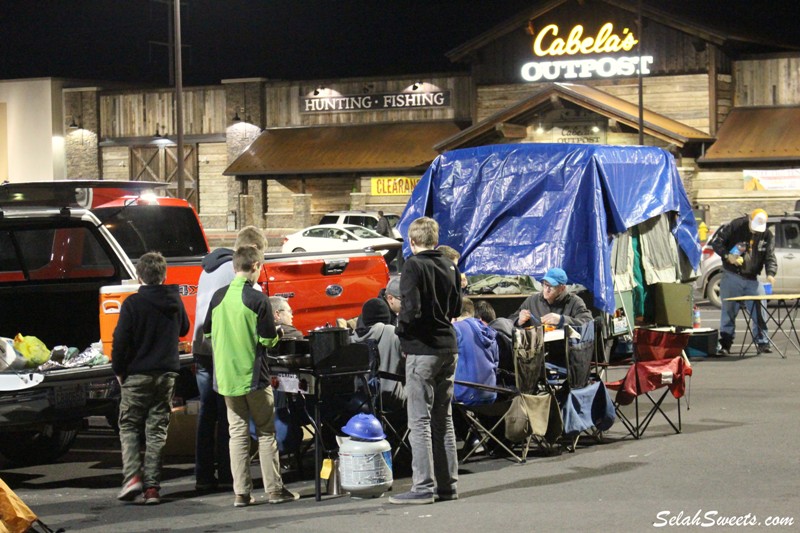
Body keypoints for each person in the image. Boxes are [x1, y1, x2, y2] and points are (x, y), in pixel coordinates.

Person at [203, 246, 298, 508]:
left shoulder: (218, 297)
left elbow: (208, 334)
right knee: (267, 432)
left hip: (226, 378)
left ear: (235, 267)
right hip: (254, 377)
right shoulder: (258, 299)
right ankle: (274, 490)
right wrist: (277, 334)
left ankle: (241, 494)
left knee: (237, 434)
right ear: (255, 266)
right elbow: (268, 339)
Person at [390, 216, 462, 505]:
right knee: (443, 420)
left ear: (412, 241)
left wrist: (402, 333)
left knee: (419, 421)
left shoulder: (413, 265)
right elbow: (456, 306)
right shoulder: (450, 265)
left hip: (423, 350)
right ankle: (448, 486)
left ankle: (423, 487)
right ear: (435, 238)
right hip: (449, 347)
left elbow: (410, 308)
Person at [192, 226, 267, 492]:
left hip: (201, 347)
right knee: (230, 413)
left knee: (207, 413)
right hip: (222, 349)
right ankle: (227, 472)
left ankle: (203, 474)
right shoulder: (237, 273)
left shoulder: (208, 268)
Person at [113, 252, 190, 505]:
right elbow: (184, 329)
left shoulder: (132, 304)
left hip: (137, 374)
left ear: (138, 276)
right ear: (164, 275)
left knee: (130, 426)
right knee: (156, 431)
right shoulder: (174, 299)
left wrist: (118, 369)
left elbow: (121, 341)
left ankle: (132, 477)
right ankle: (152, 489)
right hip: (166, 374)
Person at [711, 209, 777, 355]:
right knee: (728, 311)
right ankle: (725, 343)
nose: (755, 232)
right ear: (749, 220)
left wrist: (771, 273)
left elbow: (770, 256)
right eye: (753, 228)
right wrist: (728, 256)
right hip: (732, 275)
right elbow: (717, 243)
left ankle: (762, 342)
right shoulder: (735, 226)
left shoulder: (766, 234)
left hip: (752, 278)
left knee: (760, 310)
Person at [351, 297, 405, 411]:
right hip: (393, 400)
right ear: (387, 316)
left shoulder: (352, 339)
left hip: (360, 401)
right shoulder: (393, 333)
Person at [509, 267, 593, 329]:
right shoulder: (532, 301)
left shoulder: (574, 302)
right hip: (538, 348)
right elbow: (510, 321)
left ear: (562, 288)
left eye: (551, 286)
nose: (546, 289)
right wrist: (519, 320)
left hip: (564, 348)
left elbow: (589, 322)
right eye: (545, 284)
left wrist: (562, 320)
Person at [452, 298, 500, 405]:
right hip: (491, 395)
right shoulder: (490, 331)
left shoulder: (456, 329)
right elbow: (496, 364)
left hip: (464, 396)